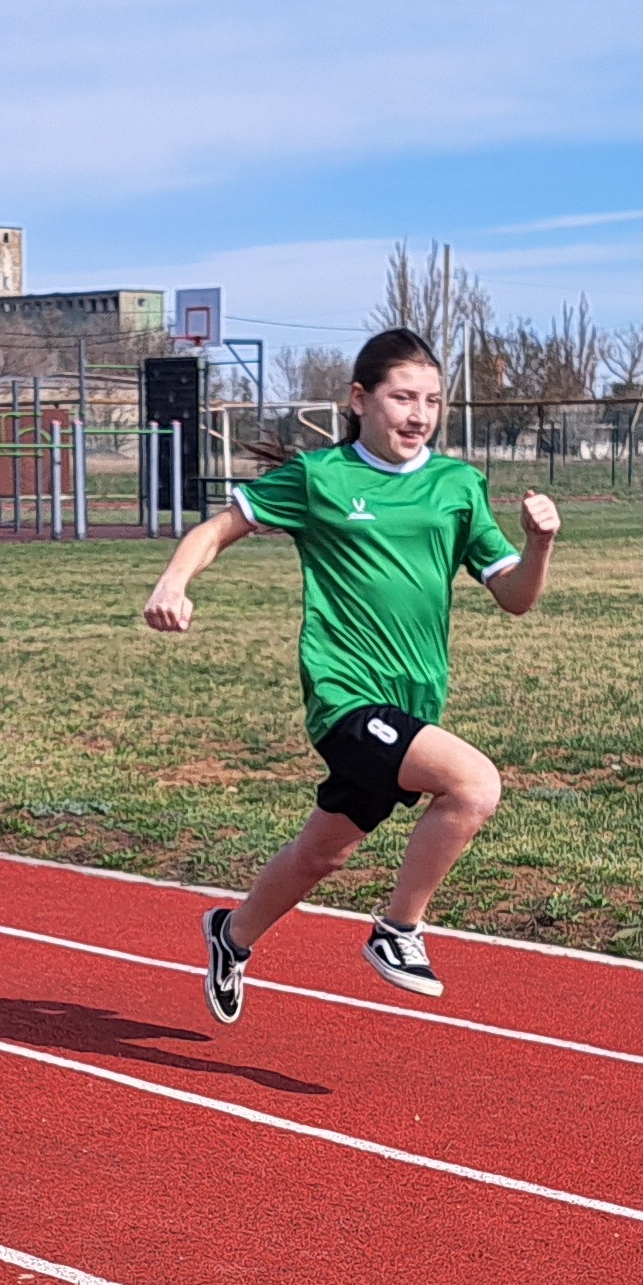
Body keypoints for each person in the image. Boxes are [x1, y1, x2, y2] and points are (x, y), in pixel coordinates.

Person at [143, 327, 558, 1023]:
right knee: (475, 784)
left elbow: (514, 598)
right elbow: (215, 529)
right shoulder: (320, 478)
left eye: (431, 400)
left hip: (412, 699)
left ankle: (231, 934)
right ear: (360, 400)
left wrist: (539, 544)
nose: (418, 414)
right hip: (344, 697)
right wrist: (173, 582)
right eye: (402, 397)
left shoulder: (457, 486)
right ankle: (399, 931)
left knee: (322, 854)